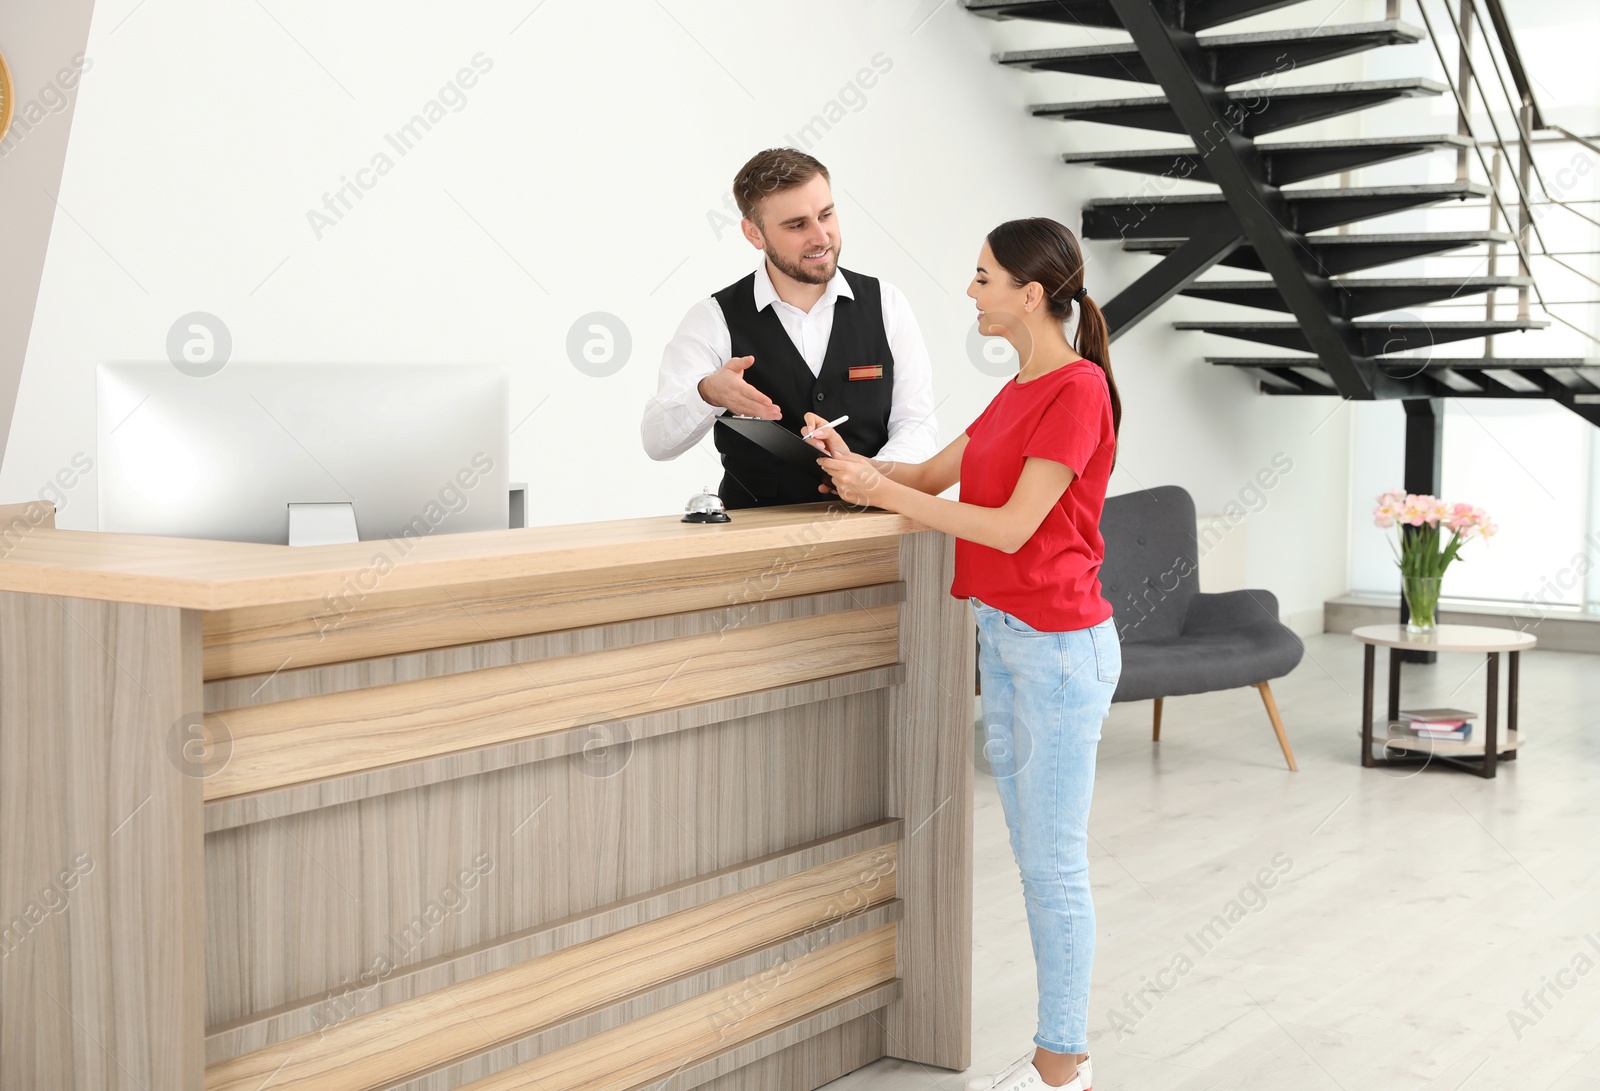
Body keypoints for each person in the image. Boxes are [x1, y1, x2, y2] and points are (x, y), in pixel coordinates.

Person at [807, 217, 1121, 1091]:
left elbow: (1014, 527)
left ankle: (1063, 1066)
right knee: (1034, 856)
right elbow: (927, 479)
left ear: (1030, 294)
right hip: (1008, 639)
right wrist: (851, 463)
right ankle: (1059, 1058)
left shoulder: (1077, 389)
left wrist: (884, 494)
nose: (970, 291)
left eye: (983, 278)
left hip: (1061, 648)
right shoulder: (1018, 389)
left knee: (1054, 863)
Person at [640, 148, 939, 507]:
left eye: (826, 215)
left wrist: (869, 477)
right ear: (754, 234)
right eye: (797, 225)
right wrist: (707, 394)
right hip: (752, 539)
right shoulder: (713, 319)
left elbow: (917, 426)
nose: (821, 237)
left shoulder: (887, 304)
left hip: (873, 530)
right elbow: (656, 443)